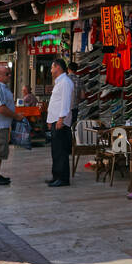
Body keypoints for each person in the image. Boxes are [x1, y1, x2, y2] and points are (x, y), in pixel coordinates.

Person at [46, 58, 75, 187]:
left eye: (52, 67)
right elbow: (55, 102)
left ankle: (63, 178)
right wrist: (49, 119)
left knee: (61, 151)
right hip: (55, 120)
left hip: (60, 122)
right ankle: (56, 175)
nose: (51, 70)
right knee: (55, 150)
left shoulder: (65, 82)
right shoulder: (59, 82)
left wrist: (61, 119)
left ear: (58, 67)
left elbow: (65, 102)